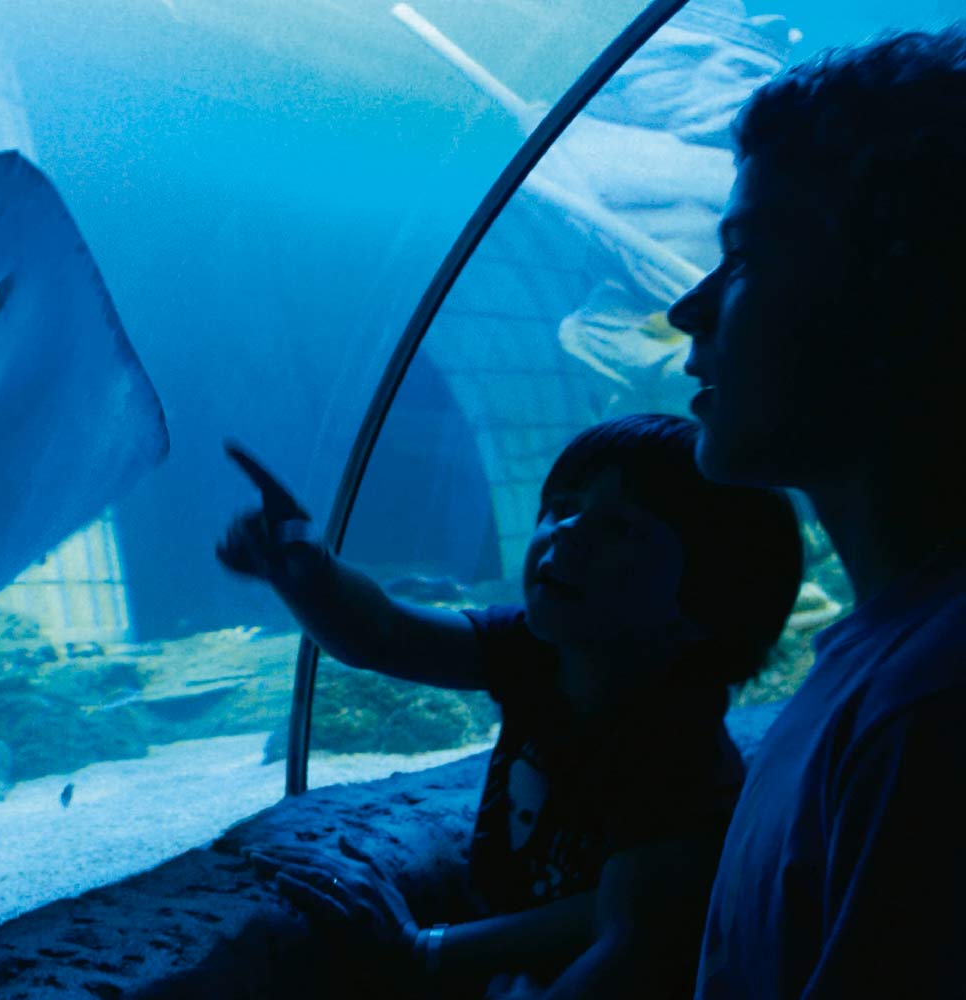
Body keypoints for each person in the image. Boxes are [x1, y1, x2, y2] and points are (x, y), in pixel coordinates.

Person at [217, 413, 803, 998]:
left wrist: (423, 949)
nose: (568, 530)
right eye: (564, 504)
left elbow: (634, 941)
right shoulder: (533, 648)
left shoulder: (677, 748)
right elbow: (383, 635)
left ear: (709, 599)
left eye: (620, 527)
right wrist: (305, 567)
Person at [665, 24, 966, 999]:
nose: (689, 308)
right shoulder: (889, 658)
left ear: (902, 287)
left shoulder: (931, 710)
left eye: (743, 255)